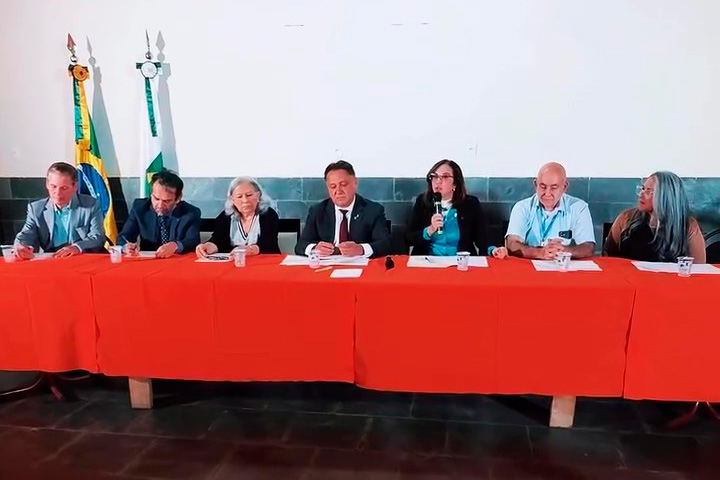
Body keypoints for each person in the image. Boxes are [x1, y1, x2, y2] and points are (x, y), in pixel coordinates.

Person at [406, 159, 506, 258]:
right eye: (434, 176)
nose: (438, 181)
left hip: (460, 261)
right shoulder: (422, 202)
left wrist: (493, 250)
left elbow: (482, 237)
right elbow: (408, 238)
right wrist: (429, 230)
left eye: (445, 177)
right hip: (428, 262)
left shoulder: (470, 203)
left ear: (455, 183)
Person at [295, 160, 391, 258]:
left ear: (355, 183)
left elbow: (385, 244)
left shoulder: (373, 210)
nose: (338, 191)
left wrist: (361, 249)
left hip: (360, 263)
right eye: (333, 187)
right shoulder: (317, 211)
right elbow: (300, 245)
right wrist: (314, 248)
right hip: (327, 264)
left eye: (343, 184)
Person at [604, 171, 705, 262]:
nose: (641, 194)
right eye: (642, 189)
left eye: (648, 191)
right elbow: (608, 256)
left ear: (665, 197)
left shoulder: (687, 225)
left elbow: (699, 267)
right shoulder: (626, 218)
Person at [13, 161, 105, 258]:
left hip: (80, 257)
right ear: (47, 184)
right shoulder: (36, 209)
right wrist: (20, 245)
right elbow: (26, 234)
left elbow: (97, 236)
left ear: (74, 186)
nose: (57, 193)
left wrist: (77, 247)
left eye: (64, 188)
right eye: (53, 186)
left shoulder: (90, 205)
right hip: (51, 258)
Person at [505, 162, 595, 259]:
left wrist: (563, 251)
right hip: (529, 263)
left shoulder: (579, 207)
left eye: (554, 188)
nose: (547, 193)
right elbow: (511, 244)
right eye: (543, 187)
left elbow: (588, 247)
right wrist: (540, 253)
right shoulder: (522, 207)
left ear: (564, 187)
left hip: (562, 264)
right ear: (535, 185)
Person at [118, 169, 200, 258]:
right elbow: (123, 237)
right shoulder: (140, 208)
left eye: (166, 201)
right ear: (151, 194)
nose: (160, 205)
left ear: (178, 199)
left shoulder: (190, 212)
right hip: (148, 259)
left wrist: (175, 246)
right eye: (156, 199)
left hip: (177, 260)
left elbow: (193, 241)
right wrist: (126, 247)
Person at [196, 177, 280, 257]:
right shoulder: (225, 216)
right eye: (239, 196)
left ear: (258, 195)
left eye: (249, 195)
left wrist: (250, 250)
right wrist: (207, 246)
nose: (245, 200)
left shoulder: (269, 214)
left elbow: (269, 244)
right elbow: (218, 240)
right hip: (234, 263)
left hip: (266, 262)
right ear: (232, 200)